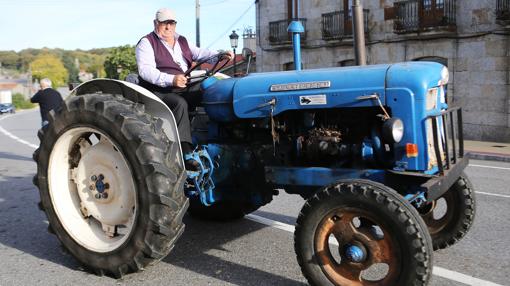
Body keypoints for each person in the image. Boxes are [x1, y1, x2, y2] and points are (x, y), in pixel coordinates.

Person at [135, 8, 233, 170]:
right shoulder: (146, 42)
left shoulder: (182, 41)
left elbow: (203, 54)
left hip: (182, 85)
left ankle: (219, 137)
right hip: (158, 91)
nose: (168, 27)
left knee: (210, 91)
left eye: (171, 23)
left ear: (175, 24)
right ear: (155, 23)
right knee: (180, 104)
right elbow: (146, 71)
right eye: (164, 23)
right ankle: (186, 153)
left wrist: (220, 55)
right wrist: (171, 79)